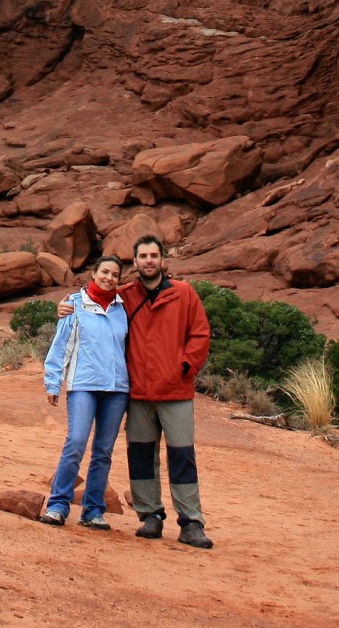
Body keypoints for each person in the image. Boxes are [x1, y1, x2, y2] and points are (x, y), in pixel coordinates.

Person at [118, 234, 213, 548]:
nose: (148, 261)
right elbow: (95, 299)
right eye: (143, 256)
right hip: (139, 393)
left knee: (182, 456)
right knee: (141, 455)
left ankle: (191, 522)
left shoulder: (183, 294)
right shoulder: (126, 296)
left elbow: (199, 334)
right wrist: (68, 305)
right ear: (135, 262)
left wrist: (184, 367)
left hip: (175, 390)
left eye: (153, 255)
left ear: (162, 260)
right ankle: (150, 515)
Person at [39, 253, 131, 529]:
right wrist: (53, 381)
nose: (109, 278)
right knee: (76, 442)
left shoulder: (122, 308)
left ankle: (93, 510)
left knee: (103, 451)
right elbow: (61, 344)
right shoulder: (74, 305)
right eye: (104, 272)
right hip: (83, 385)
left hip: (117, 389)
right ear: (94, 273)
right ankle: (58, 505)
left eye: (115, 275)